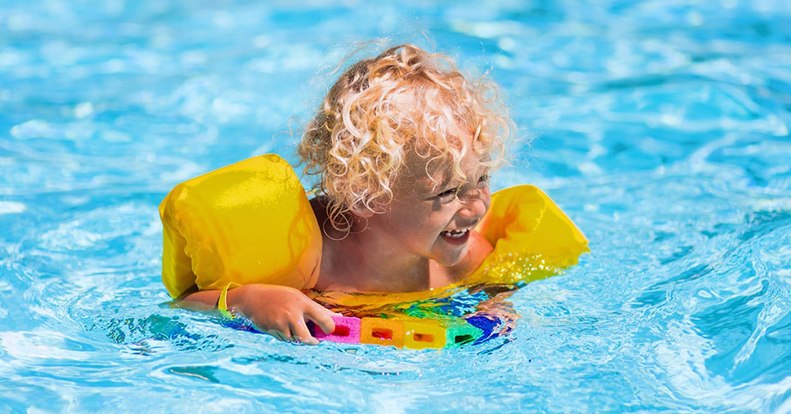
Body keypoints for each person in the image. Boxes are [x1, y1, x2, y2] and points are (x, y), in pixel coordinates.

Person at [160, 44, 578, 344]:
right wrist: (250, 300)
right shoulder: (312, 264)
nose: (476, 208)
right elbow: (182, 306)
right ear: (367, 193)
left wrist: (497, 304)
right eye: (449, 192)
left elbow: (494, 291)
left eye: (481, 179)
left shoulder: (462, 258)